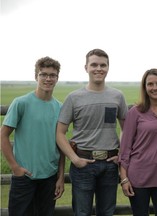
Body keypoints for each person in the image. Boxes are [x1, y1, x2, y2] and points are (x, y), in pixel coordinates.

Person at [56, 48, 128, 216]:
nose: (99, 68)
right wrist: (74, 159)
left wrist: (121, 155)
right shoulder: (74, 98)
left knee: (107, 213)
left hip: (110, 165)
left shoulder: (117, 96)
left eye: (103, 65)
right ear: (86, 67)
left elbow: (126, 130)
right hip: (83, 164)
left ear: (108, 68)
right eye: (94, 64)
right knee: (82, 213)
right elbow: (59, 133)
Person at [0, 56, 65, 216]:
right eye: (43, 74)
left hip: (50, 177)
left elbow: (62, 144)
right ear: (36, 76)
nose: (48, 78)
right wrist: (15, 168)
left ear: (57, 78)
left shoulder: (60, 108)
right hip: (24, 177)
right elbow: (3, 135)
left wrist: (61, 177)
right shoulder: (21, 103)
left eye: (52, 75)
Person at [119, 68, 157, 216]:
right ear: (145, 87)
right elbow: (125, 148)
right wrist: (124, 178)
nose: (155, 87)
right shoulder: (135, 112)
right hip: (139, 175)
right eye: (150, 84)